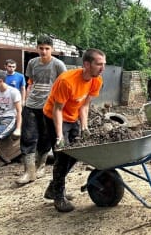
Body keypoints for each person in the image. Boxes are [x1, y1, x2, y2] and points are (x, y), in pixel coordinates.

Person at [42, 48, 106, 212]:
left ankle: (53, 187)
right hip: (54, 117)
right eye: (99, 64)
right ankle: (58, 196)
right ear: (86, 64)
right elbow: (57, 110)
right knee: (62, 156)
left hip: (73, 117)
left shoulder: (96, 80)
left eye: (104, 64)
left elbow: (84, 106)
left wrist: (84, 128)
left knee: (78, 152)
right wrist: (59, 137)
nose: (102, 68)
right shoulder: (66, 81)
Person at [16, 35, 67, 185]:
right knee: (28, 137)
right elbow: (30, 83)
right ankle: (28, 171)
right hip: (32, 105)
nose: (44, 51)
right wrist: (26, 99)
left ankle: (41, 166)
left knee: (45, 138)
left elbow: (64, 85)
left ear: (52, 49)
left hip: (49, 107)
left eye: (47, 48)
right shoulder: (32, 63)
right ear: (37, 48)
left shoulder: (58, 65)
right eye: (41, 48)